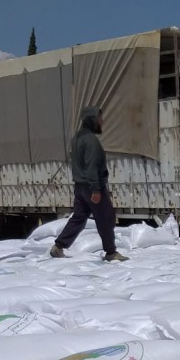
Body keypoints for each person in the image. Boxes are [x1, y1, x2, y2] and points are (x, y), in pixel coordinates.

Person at [49, 106, 128, 262]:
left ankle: (58, 246)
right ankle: (111, 252)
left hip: (80, 187)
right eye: (99, 118)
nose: (102, 121)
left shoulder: (77, 138)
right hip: (92, 187)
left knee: (79, 217)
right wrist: (96, 189)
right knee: (105, 218)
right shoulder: (91, 140)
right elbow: (91, 166)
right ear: (92, 120)